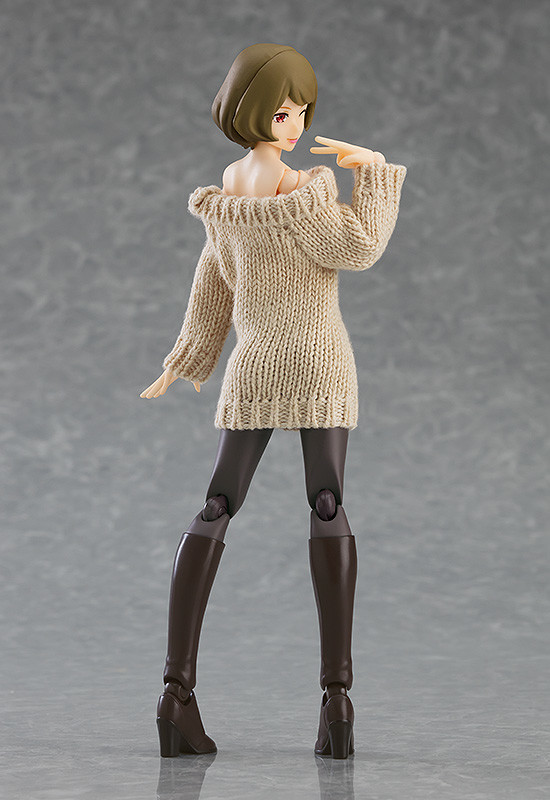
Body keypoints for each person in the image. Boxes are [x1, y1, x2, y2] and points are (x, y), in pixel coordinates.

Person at [141, 43, 407, 759]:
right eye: (285, 112)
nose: (296, 126)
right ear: (253, 109)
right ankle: (337, 704)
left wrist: (188, 359)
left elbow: (213, 280)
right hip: (319, 362)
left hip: (254, 364)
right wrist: (374, 172)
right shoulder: (300, 190)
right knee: (327, 502)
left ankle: (174, 694)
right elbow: (359, 248)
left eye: (302, 113)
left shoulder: (227, 193)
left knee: (217, 504)